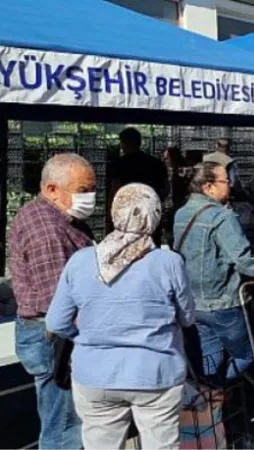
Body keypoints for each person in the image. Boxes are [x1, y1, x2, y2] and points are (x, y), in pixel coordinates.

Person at [46, 184, 194, 450]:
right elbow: (187, 318)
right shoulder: (168, 263)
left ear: (115, 213)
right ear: (155, 215)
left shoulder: (80, 261)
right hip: (156, 374)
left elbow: (56, 322)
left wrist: (88, 336)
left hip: (94, 375)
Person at [9, 153, 96, 450]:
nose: (91, 197)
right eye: (83, 190)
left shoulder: (60, 217)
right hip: (54, 336)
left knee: (65, 417)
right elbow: (57, 299)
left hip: (52, 332)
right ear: (52, 190)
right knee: (64, 425)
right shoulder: (47, 229)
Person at [174, 162, 254, 383]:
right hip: (222, 303)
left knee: (209, 360)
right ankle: (218, 391)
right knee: (247, 355)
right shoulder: (222, 218)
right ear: (209, 187)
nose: (230, 185)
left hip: (192, 302)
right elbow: (244, 261)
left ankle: (213, 401)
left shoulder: (182, 213)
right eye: (226, 181)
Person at [110, 128, 168, 243]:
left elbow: (115, 191)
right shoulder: (156, 163)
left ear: (123, 143)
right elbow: (166, 189)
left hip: (126, 217)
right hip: (151, 215)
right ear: (140, 142)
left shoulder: (118, 165)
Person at [163, 145, 190, 247]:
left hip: (181, 202)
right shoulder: (177, 169)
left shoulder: (180, 170)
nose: (166, 160)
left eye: (167, 157)